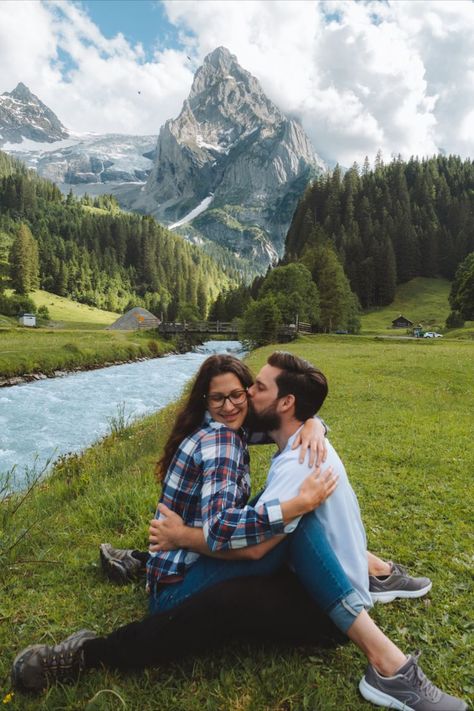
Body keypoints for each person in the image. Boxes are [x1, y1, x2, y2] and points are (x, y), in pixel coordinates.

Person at [11, 354, 468, 710]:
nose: (235, 402)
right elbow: (227, 530)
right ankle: (87, 654)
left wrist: (315, 421)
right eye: (220, 398)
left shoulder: (237, 428)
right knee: (288, 529)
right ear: (205, 402)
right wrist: (296, 505)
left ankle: (374, 572)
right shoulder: (223, 442)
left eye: (246, 391)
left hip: (180, 560)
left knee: (280, 529)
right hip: (175, 589)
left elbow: (285, 423)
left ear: (273, 402)